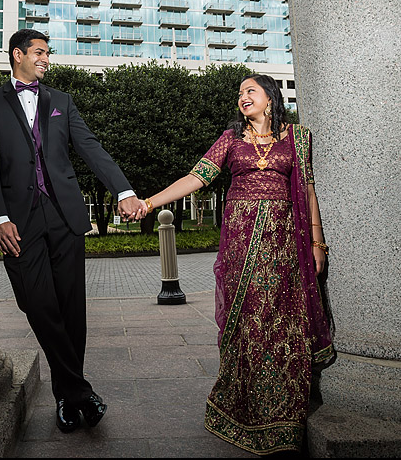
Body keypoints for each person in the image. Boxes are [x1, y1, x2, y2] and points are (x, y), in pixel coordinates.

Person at [138, 74, 335, 455]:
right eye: (240, 93)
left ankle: (285, 421)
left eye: (250, 91)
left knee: (285, 323)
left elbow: (308, 190)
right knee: (247, 323)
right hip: (241, 247)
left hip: (284, 246)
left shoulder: (297, 138)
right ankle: (243, 409)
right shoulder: (230, 140)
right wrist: (149, 203)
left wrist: (317, 241)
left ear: (270, 97)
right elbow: (195, 178)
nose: (243, 97)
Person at [0, 29, 145, 433]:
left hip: (65, 215)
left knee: (71, 310)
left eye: (48, 53)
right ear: (17, 55)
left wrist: (123, 190)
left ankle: (68, 398)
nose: (46, 59)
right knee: (38, 304)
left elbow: (90, 148)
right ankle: (81, 391)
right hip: (17, 221)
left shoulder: (61, 102)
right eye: (39, 52)